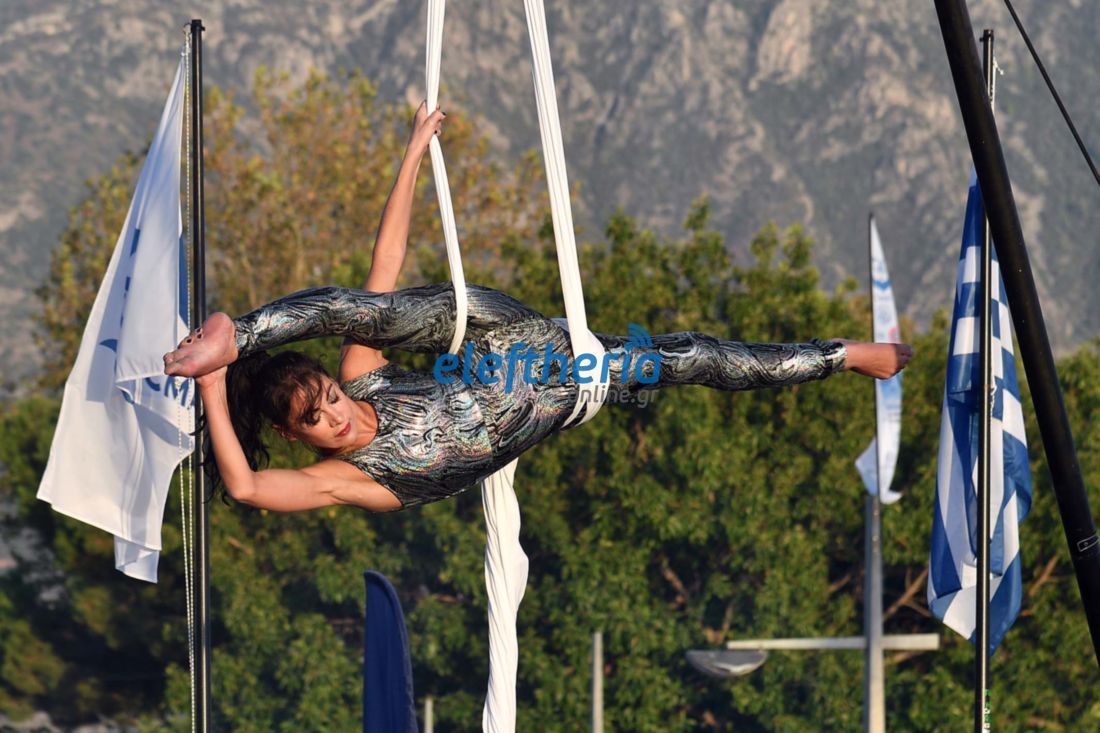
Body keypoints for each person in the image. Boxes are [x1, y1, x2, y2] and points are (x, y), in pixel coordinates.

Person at [163, 103, 913, 514]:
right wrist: (212, 391)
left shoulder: (363, 378)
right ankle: (843, 356)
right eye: (317, 419)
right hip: (567, 382)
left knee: (368, 311)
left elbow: (383, 266)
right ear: (297, 436)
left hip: (503, 337)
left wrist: (414, 154)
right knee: (690, 356)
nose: (336, 415)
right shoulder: (348, 479)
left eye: (327, 396)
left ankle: (244, 331)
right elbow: (247, 487)